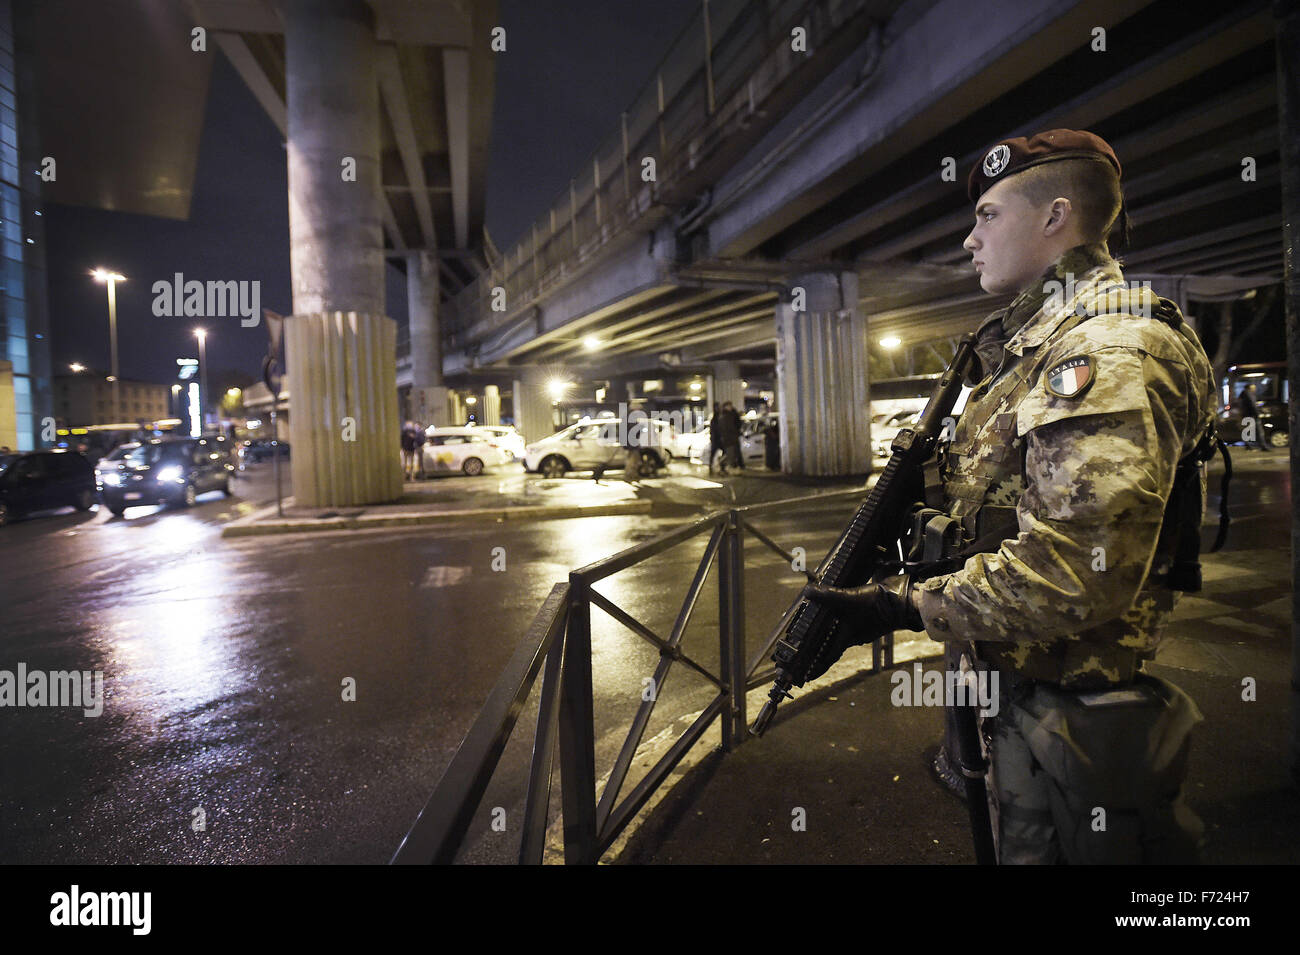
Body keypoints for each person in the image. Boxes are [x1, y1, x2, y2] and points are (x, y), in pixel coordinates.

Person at [801, 129, 1218, 864]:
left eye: (988, 215)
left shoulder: (1109, 345)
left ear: (1056, 216)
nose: (969, 239)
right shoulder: (1036, 347)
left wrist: (908, 604)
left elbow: (1077, 567)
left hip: (1076, 717)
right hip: (1026, 697)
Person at [707, 402, 723, 473]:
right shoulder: (716, 417)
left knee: (714, 453)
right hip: (716, 439)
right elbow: (715, 429)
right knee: (713, 453)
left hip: (716, 439)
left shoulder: (716, 417)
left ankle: (719, 465)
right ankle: (716, 466)